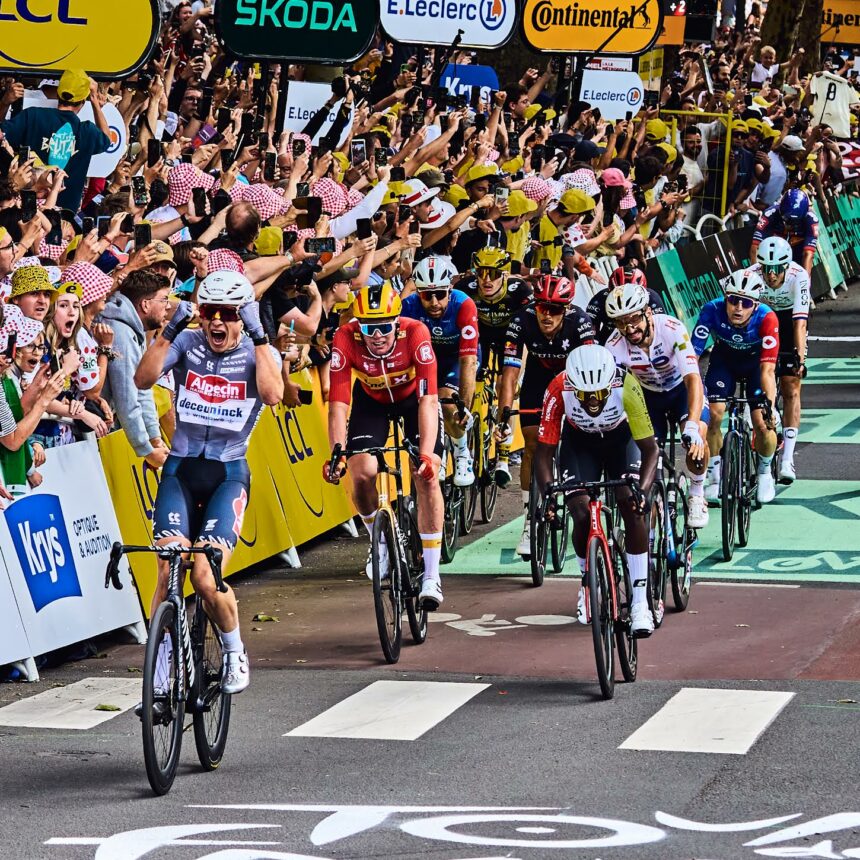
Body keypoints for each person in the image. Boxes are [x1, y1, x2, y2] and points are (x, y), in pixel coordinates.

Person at [134, 271, 285, 697]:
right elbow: (143, 380)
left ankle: (235, 648)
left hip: (227, 474)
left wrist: (258, 339)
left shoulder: (260, 351)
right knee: (167, 567)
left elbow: (274, 396)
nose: (217, 323)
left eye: (228, 315)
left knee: (203, 576)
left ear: (242, 316)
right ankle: (161, 664)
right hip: (181, 470)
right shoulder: (187, 341)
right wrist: (171, 329)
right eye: (208, 313)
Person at [324, 284, 446, 609]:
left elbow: (429, 398)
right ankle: (378, 541)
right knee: (361, 473)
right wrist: (336, 453)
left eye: (382, 327)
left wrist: (426, 454)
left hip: (412, 401)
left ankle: (432, 576)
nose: (376, 335)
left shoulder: (415, 333)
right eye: (367, 327)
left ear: (396, 321)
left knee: (426, 476)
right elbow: (338, 404)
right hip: (372, 402)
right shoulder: (345, 338)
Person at [533, 344, 659, 635]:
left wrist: (642, 489)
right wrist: (549, 493)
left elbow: (650, 449)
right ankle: (587, 583)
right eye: (584, 395)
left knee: (630, 503)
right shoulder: (557, 388)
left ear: (609, 384)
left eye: (600, 394)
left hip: (621, 442)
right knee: (578, 510)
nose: (592, 401)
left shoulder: (626, 384)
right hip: (580, 445)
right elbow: (543, 451)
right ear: (571, 385)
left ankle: (639, 601)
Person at [497, 274, 595, 557]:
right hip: (538, 377)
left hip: (573, 377)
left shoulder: (582, 323)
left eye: (554, 310)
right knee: (532, 444)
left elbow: (589, 370)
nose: (547, 316)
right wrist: (504, 415)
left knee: (578, 438)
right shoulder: (521, 320)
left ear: (566, 310)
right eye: (542, 308)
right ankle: (530, 519)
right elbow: (510, 373)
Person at [604, 282, 710, 528]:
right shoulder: (614, 345)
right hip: (649, 397)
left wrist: (693, 425)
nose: (628, 329)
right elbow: (613, 390)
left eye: (633, 319)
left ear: (647, 313)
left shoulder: (671, 328)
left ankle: (696, 492)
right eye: (620, 323)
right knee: (646, 457)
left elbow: (693, 379)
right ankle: (654, 513)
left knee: (695, 441)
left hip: (680, 390)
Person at [692, 270, 780, 505]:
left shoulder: (767, 318)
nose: (738, 308)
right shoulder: (711, 309)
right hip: (724, 362)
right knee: (714, 414)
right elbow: (693, 356)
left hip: (756, 365)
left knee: (762, 422)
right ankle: (714, 475)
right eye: (732, 300)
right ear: (725, 299)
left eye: (746, 303)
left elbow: (768, 371)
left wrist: (769, 405)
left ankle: (764, 471)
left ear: (755, 304)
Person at [402, 256, 479, 487]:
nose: (434, 302)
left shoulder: (463, 305)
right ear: (418, 293)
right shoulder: (407, 306)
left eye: (440, 294)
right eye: (427, 295)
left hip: (457, 357)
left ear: (450, 289)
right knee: (420, 402)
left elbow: (468, 362)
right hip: (427, 358)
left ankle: (462, 450)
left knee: (447, 402)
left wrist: (464, 406)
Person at [458, 246, 532, 487]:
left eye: (493, 274)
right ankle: (467, 439)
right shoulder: (466, 287)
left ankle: (502, 455)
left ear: (505, 275)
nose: (486, 280)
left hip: (509, 336)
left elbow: (527, 331)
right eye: (481, 273)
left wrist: (519, 370)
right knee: (469, 378)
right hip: (478, 335)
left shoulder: (520, 290)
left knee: (504, 386)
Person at [1, 70, 111, 211]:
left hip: (27, 207)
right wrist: (95, 101)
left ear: (58, 94)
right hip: (64, 216)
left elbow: (2, 135)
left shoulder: (32, 115)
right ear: (84, 101)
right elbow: (107, 139)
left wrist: (5, 102)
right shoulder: (87, 131)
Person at [748, 236, 810, 484]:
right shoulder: (751, 275)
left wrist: (800, 358)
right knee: (756, 376)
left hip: (788, 323)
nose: (771, 275)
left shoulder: (799, 276)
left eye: (776, 269)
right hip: (761, 323)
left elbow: (800, 323)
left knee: (791, 384)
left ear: (786, 266)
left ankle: (787, 459)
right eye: (766, 268)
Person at [98, 271, 171, 468]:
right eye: (164, 299)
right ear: (145, 304)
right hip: (92, 429)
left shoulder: (131, 328)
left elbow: (143, 390)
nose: (169, 306)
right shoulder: (120, 331)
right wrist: (145, 449)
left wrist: (155, 438)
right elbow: (126, 397)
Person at [586, 265, 667, 345]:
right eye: (619, 293)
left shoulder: (652, 298)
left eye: (635, 318)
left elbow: (660, 328)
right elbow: (590, 334)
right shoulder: (599, 300)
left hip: (643, 335)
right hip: (613, 336)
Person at [751, 188, 819, 278]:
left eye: (795, 223)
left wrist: (805, 282)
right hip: (773, 256)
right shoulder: (769, 214)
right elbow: (755, 247)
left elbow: (808, 254)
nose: (790, 226)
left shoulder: (812, 220)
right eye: (787, 220)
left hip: (797, 255)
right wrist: (756, 276)